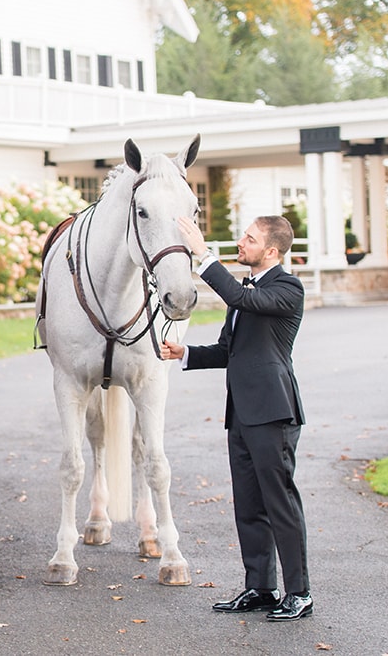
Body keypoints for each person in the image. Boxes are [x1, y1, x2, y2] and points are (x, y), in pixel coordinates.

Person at [160, 216, 312, 622]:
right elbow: (230, 349)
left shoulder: (286, 288)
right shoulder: (247, 292)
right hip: (241, 414)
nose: (242, 243)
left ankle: (299, 592)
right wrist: (186, 353)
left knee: (280, 503)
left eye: (250, 239)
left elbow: (241, 300)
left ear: (273, 251)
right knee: (248, 504)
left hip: (274, 412)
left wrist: (202, 255)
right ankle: (262, 587)